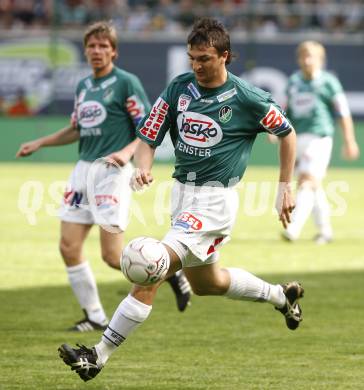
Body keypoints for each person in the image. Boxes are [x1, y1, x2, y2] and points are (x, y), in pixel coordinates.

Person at [58, 18, 304, 381]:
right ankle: (281, 297)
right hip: (181, 197)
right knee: (209, 284)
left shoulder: (247, 97)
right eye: (192, 58)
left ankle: (97, 355)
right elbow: (149, 134)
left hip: (215, 202)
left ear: (224, 56)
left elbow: (287, 133)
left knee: (150, 268)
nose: (196, 65)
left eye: (204, 58)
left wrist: (285, 187)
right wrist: (142, 165)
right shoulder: (179, 88)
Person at [16, 21, 191, 332]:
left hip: (111, 174)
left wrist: (126, 154)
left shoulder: (125, 83)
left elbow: (147, 128)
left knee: (113, 257)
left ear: (114, 51)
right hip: (83, 170)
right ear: (86, 51)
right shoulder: (83, 86)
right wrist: (40, 142)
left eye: (103, 46)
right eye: (92, 46)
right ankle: (95, 315)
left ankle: (170, 272)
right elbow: (76, 129)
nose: (96, 51)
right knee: (68, 247)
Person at [281, 40, 360, 244]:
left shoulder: (329, 82)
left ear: (320, 60)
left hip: (320, 138)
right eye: (303, 56)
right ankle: (325, 231)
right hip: (298, 139)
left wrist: (350, 140)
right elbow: (284, 110)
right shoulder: (293, 82)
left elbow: (343, 113)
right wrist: (276, 132)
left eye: (311, 57)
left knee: (307, 181)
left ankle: (293, 228)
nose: (307, 61)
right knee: (313, 185)